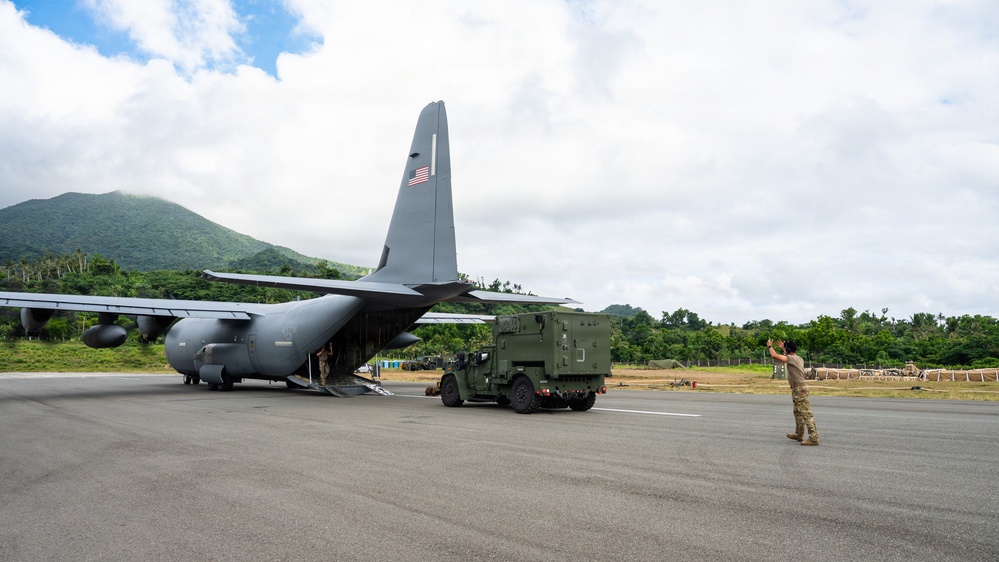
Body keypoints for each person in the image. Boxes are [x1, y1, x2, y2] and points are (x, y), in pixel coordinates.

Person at [768, 339, 819, 446]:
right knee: (798, 412)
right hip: (799, 389)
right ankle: (799, 434)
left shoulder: (790, 359)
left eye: (785, 348)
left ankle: (813, 438)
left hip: (799, 389)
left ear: (788, 350)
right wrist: (783, 347)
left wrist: (770, 347)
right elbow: (787, 354)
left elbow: (775, 356)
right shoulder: (798, 358)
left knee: (806, 413)